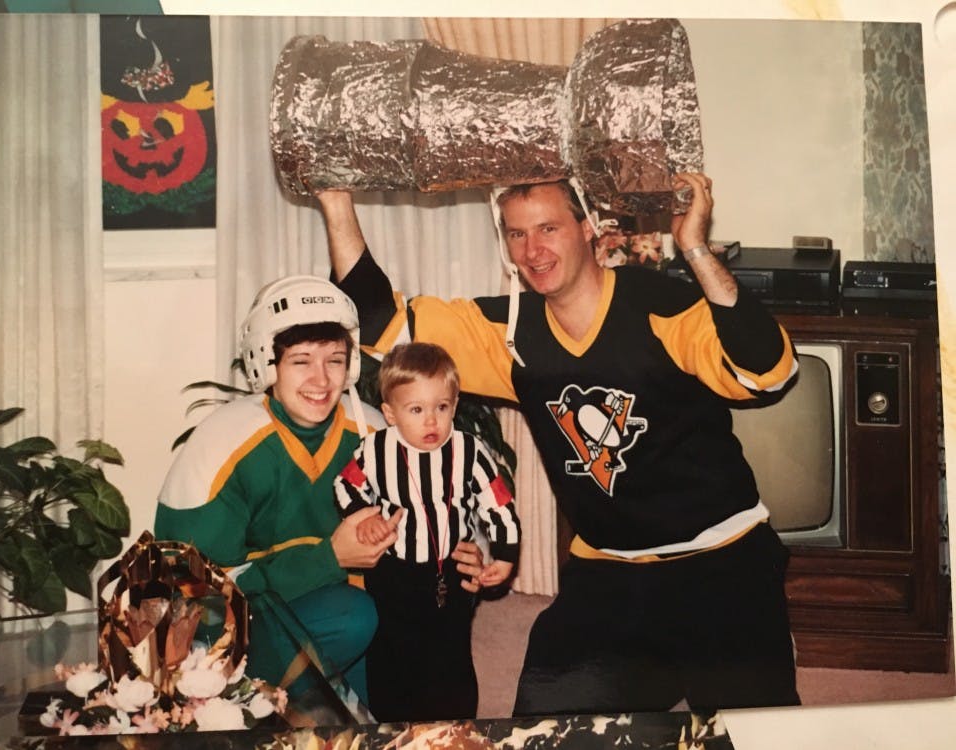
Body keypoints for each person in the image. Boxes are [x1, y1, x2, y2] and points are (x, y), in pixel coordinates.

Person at [315, 173, 802, 715]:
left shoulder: (663, 305)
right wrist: (336, 200)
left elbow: (769, 372)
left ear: (588, 226)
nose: (534, 249)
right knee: (544, 727)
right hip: (610, 568)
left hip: (721, 558)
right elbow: (384, 324)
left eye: (548, 228)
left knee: (757, 730)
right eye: (517, 234)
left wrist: (695, 249)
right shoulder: (511, 331)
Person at [154, 276, 485, 707]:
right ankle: (242, 711)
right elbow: (190, 595)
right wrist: (328, 559)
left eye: (334, 360)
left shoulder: (374, 431)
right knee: (352, 616)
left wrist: (466, 553)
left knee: (399, 656)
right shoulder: (221, 444)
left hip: (329, 618)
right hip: (221, 632)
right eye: (301, 361)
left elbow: (439, 510)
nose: (321, 378)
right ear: (267, 363)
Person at [333, 341, 521, 721]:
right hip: (393, 570)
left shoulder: (470, 451)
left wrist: (505, 555)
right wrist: (364, 515)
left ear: (454, 404)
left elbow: (498, 502)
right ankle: (394, 727)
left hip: (448, 570)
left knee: (449, 653)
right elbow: (345, 485)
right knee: (390, 651)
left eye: (442, 407)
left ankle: (454, 728)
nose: (432, 421)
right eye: (416, 410)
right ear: (390, 413)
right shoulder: (375, 449)